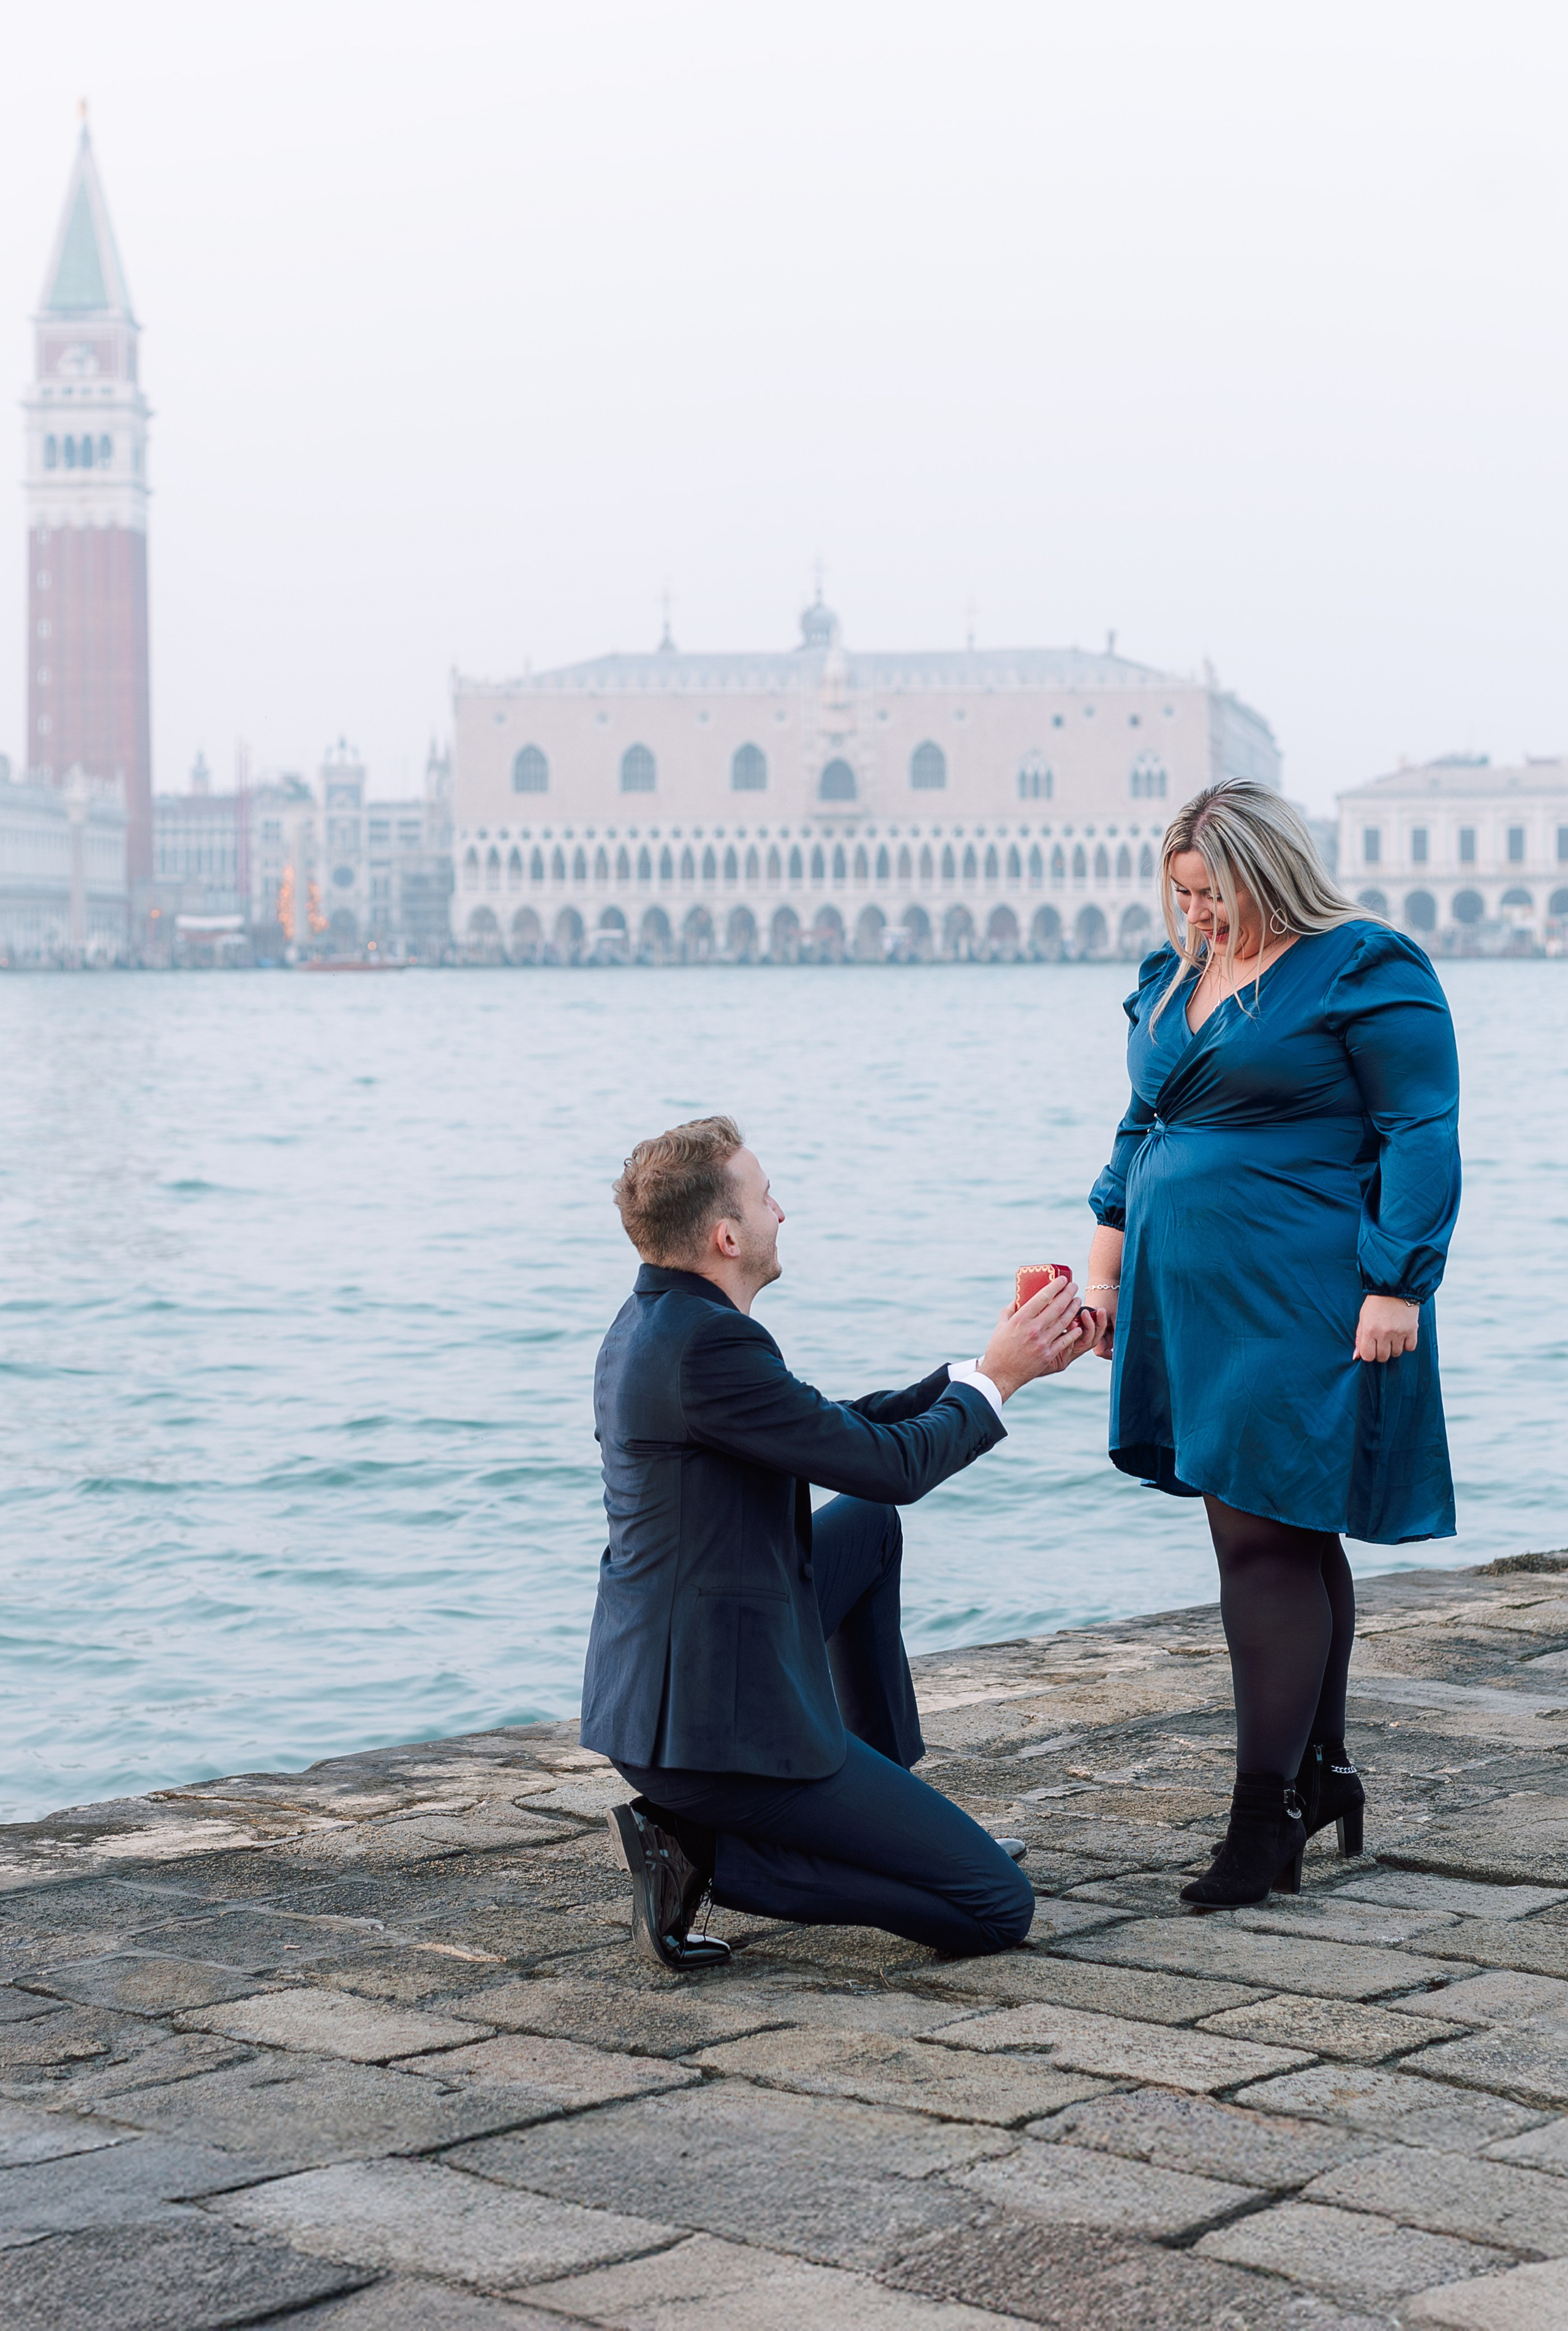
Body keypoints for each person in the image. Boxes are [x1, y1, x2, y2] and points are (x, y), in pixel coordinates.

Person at [582, 1114, 1101, 1970]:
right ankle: (706, 1853)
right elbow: (889, 1465)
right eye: (765, 1197)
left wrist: (984, 1369)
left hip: (687, 1675)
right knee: (992, 1907)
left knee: (865, 1527)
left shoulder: (658, 1321)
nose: (781, 1211)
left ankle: (883, 1798)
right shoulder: (710, 1345)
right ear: (725, 1234)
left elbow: (832, 1431)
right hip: (712, 1730)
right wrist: (1000, 1378)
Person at [1085, 780, 1461, 1908]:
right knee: (1282, 1532)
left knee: (1260, 1541)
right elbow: (1140, 1125)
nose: (1196, 912)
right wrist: (1102, 1274)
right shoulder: (1174, 978)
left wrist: (1398, 1282)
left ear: (1271, 872)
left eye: (1215, 891)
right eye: (1182, 892)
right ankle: (1321, 1774)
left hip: (1305, 1291)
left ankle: (1263, 1824)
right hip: (1186, 1297)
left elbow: (1421, 1128)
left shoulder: (1364, 964)